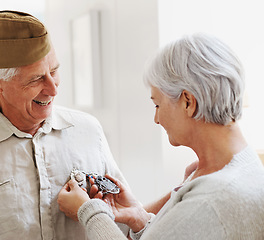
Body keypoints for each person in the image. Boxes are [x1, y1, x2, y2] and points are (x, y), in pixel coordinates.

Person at [57, 33, 264, 239]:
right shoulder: (243, 166)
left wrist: (89, 211)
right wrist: (140, 218)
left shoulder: (208, 200)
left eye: (157, 104)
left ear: (188, 102)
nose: (156, 119)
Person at [0, 10, 129, 239]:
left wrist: (182, 194)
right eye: (36, 78)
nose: (53, 88)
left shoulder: (89, 131)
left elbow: (126, 221)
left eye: (54, 71)